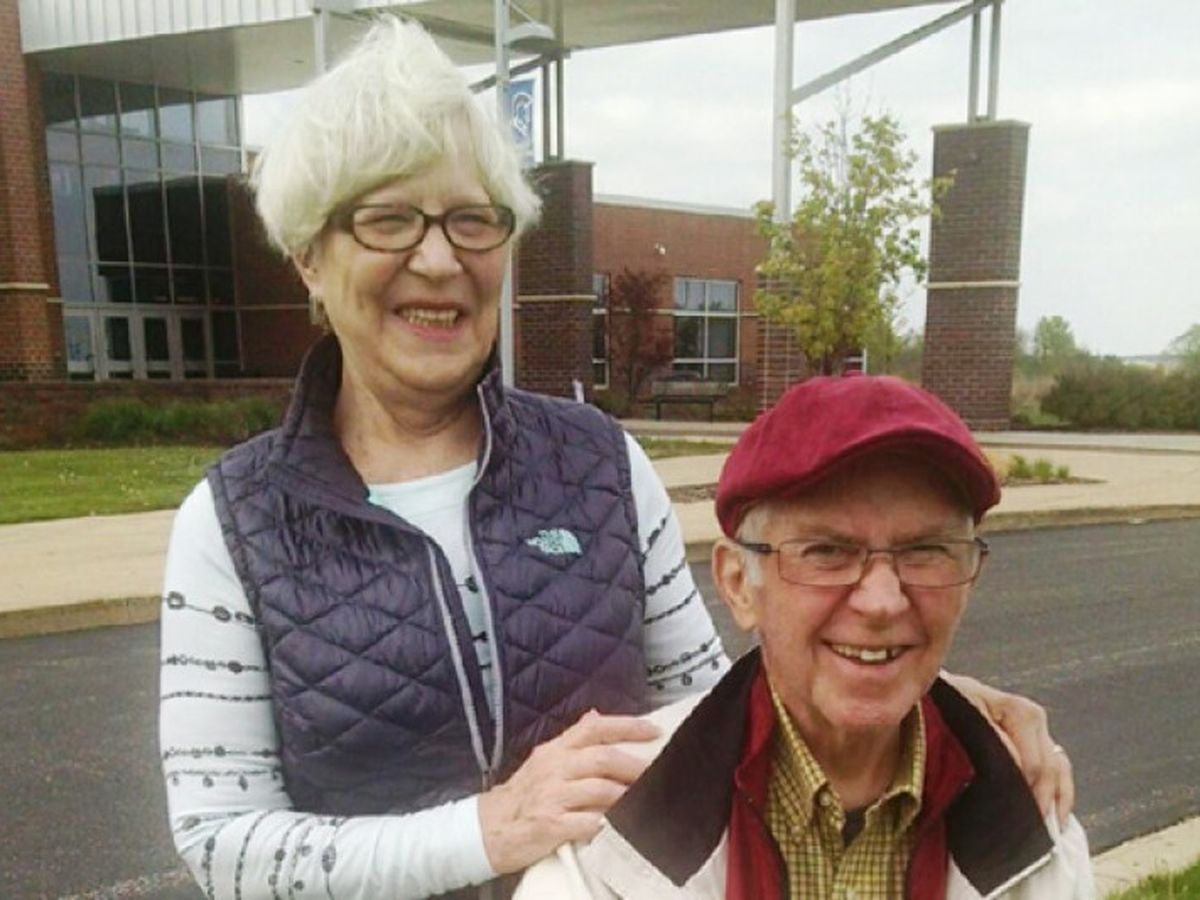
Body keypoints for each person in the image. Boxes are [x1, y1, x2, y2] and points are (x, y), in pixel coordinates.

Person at [159, 16, 1073, 900]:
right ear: (308, 256)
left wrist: (921, 701)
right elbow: (222, 845)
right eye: (387, 220)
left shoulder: (597, 463)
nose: (438, 260)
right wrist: (490, 829)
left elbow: (720, 710)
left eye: (473, 220)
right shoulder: (240, 521)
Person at [516, 374, 1095, 899]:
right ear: (738, 584)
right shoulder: (608, 842)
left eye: (926, 551)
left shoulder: (1034, 819)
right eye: (827, 551)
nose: (882, 601)